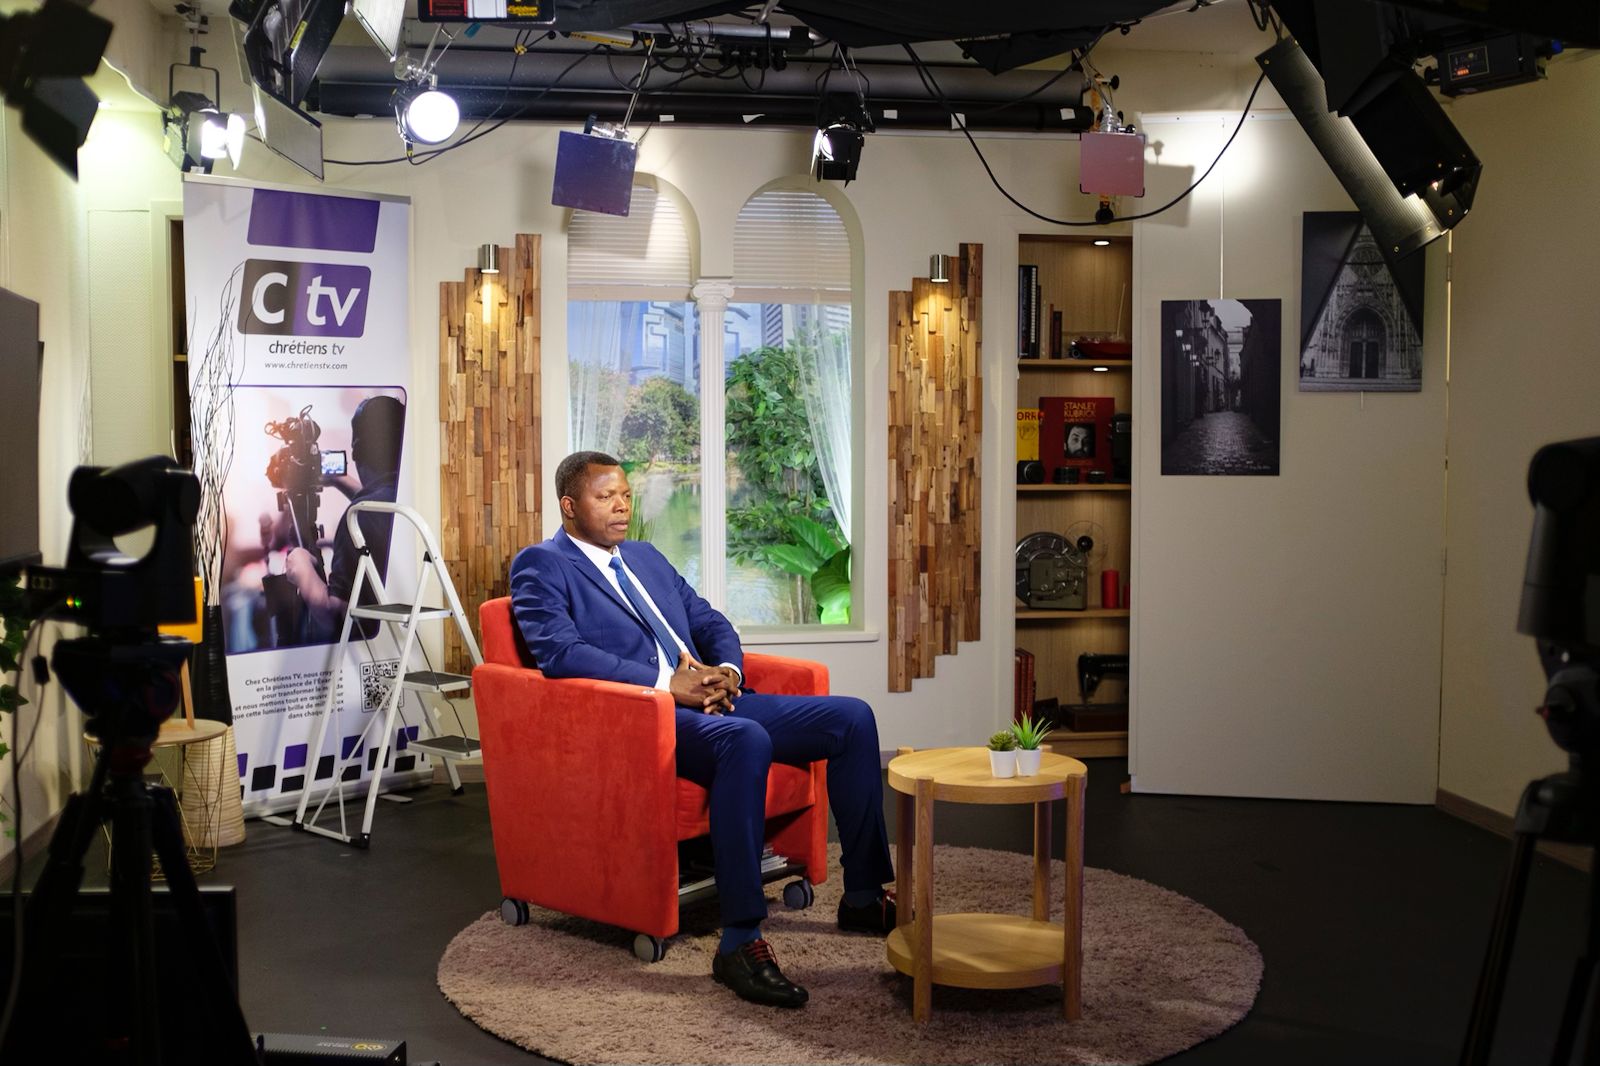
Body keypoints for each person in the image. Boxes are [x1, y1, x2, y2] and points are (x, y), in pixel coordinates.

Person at [509, 451, 896, 1009]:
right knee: (748, 739)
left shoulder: (644, 556)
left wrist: (726, 673)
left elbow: (709, 619)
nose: (621, 506)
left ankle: (861, 894)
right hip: (647, 720)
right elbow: (560, 655)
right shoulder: (541, 565)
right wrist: (670, 685)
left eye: (624, 494)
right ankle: (740, 941)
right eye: (604, 497)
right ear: (569, 507)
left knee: (852, 718)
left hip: (713, 698)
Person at [284, 394, 406, 638]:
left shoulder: (359, 519)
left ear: (357, 450)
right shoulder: (406, 498)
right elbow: (383, 507)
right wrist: (341, 481)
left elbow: (337, 615)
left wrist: (301, 568)